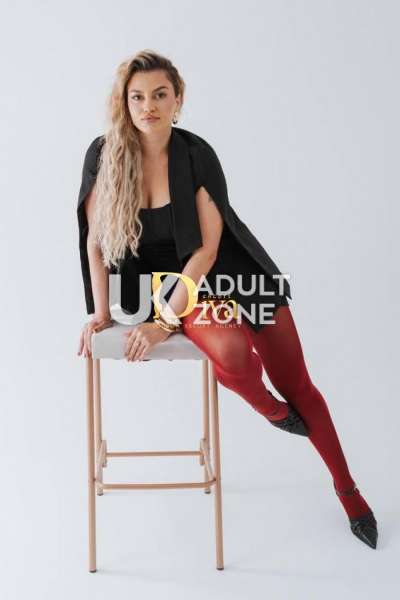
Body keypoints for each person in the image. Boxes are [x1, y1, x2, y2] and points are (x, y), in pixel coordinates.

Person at [76, 49, 377, 549]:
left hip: (229, 274)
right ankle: (271, 410)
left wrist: (161, 326)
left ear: (178, 98)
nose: (148, 106)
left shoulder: (197, 155)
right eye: (137, 97)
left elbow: (208, 251)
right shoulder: (103, 154)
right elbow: (94, 241)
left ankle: (349, 493)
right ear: (124, 102)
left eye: (160, 95)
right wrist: (102, 314)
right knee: (234, 354)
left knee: (299, 383)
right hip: (169, 289)